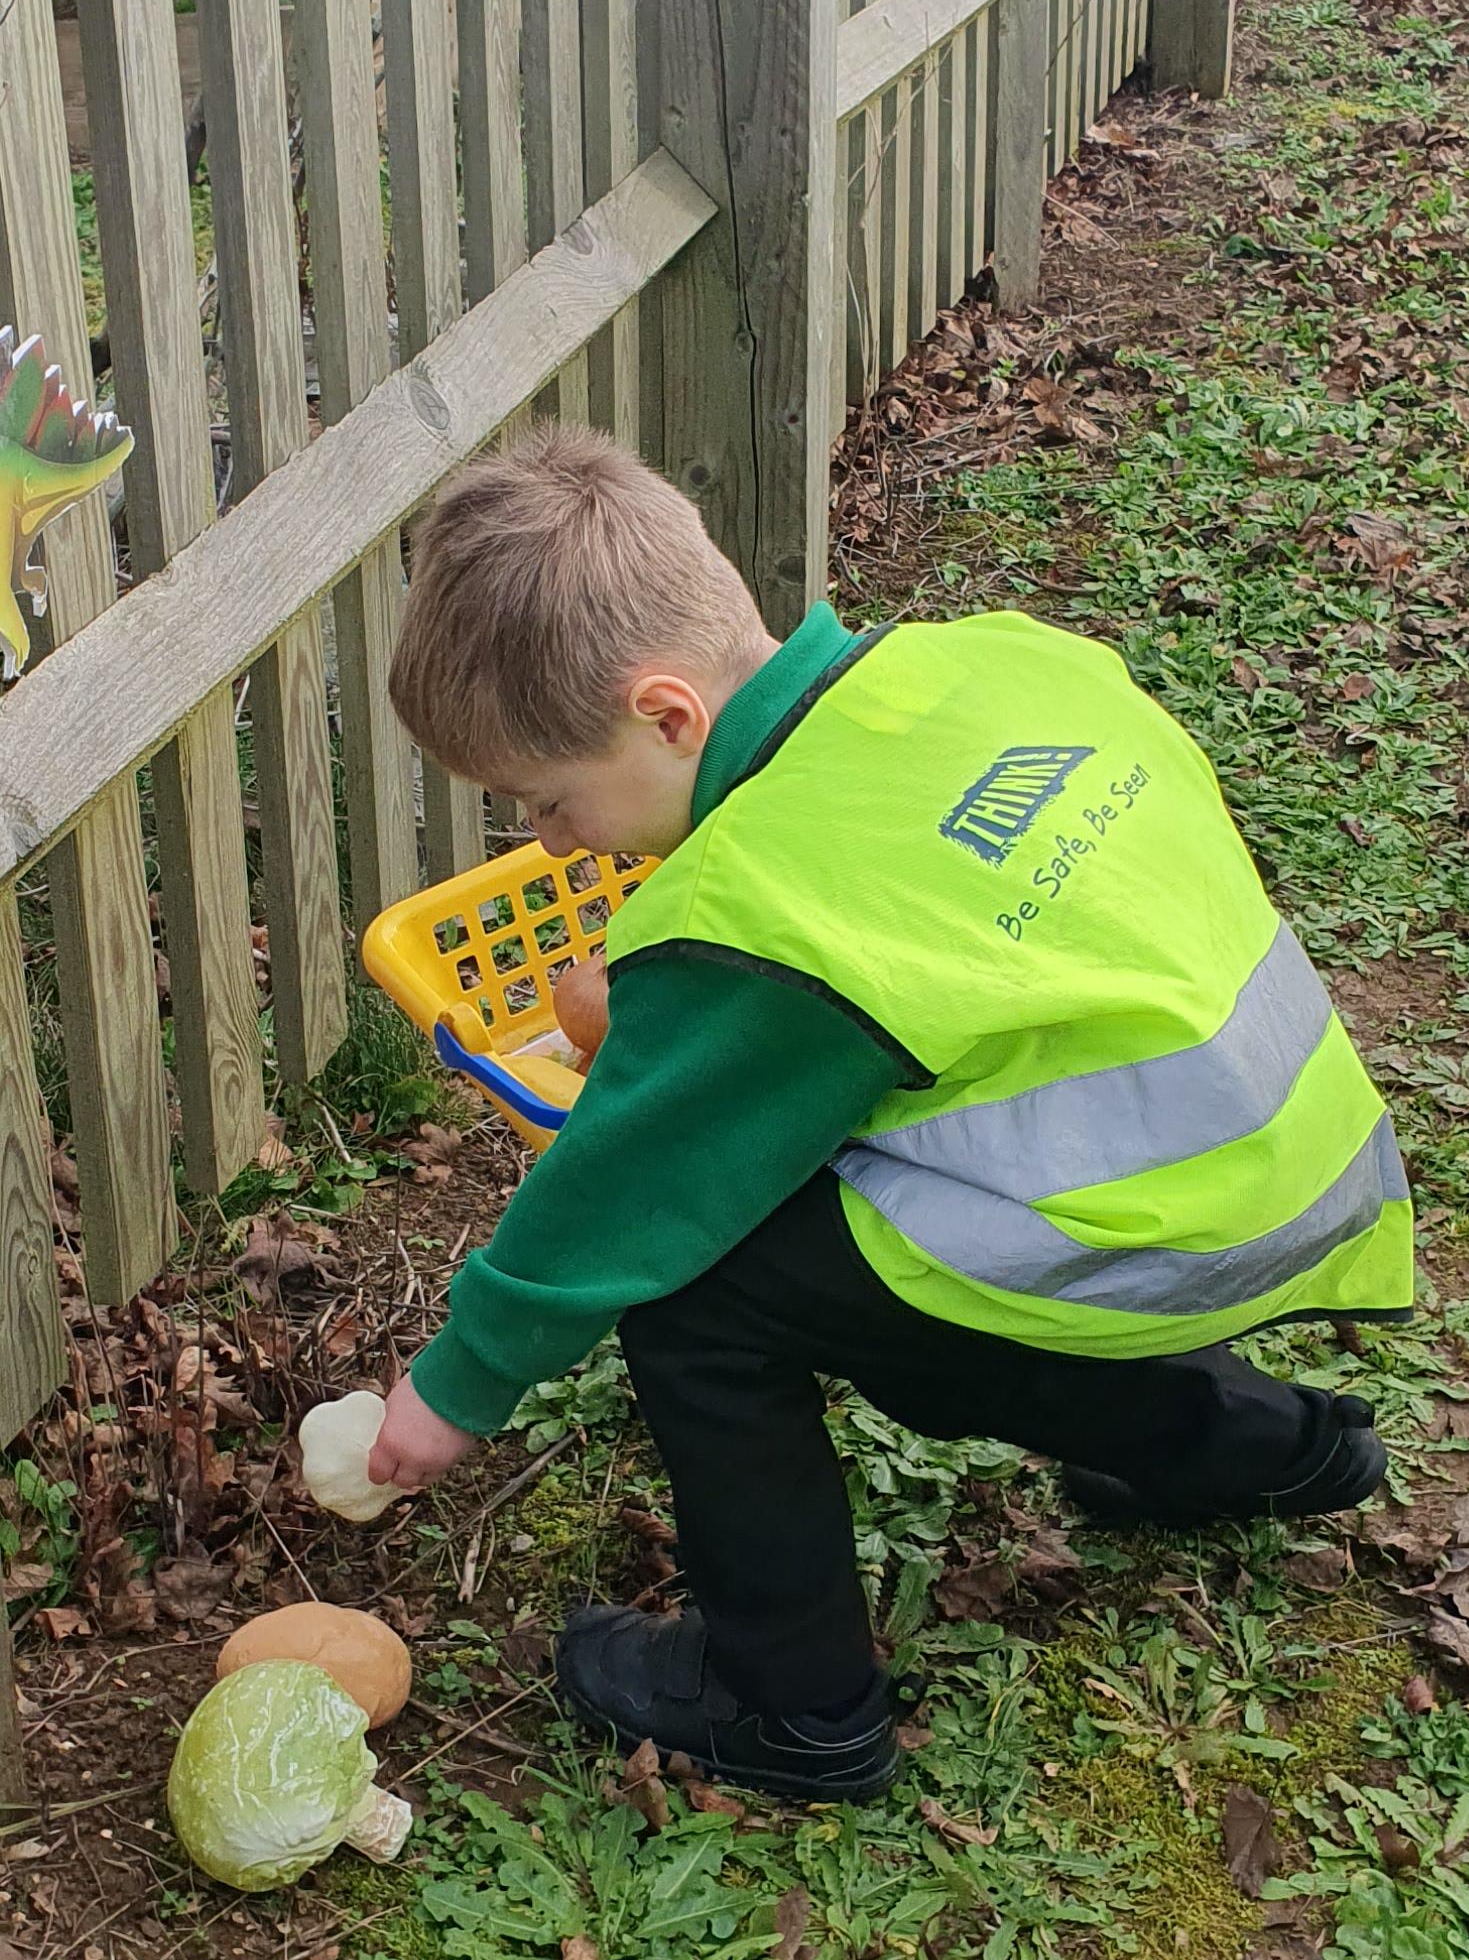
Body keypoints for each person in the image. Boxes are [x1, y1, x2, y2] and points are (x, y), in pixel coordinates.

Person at [363, 428, 1411, 1803]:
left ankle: (790, 1703)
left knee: (703, 1285)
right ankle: (1267, 1447)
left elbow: (638, 1185)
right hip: (1289, 1159)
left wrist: (456, 1387)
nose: (552, 842)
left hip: (1153, 1231)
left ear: (668, 718)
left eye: (549, 800)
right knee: (895, 1311)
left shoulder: (754, 906)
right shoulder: (994, 660)